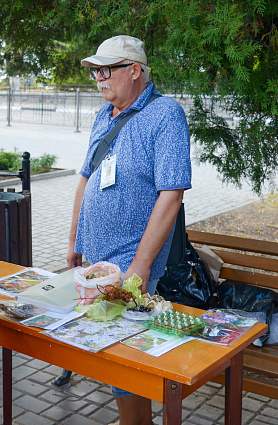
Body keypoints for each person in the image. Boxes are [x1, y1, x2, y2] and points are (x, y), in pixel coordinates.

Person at [66, 35, 191, 425]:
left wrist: (140, 264)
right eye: (95, 72)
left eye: (106, 70)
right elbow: (85, 178)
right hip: (98, 260)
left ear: (134, 70)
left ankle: (135, 422)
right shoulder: (104, 115)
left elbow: (171, 195)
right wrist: (74, 240)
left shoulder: (166, 114)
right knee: (114, 354)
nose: (99, 79)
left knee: (126, 358)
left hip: (133, 261)